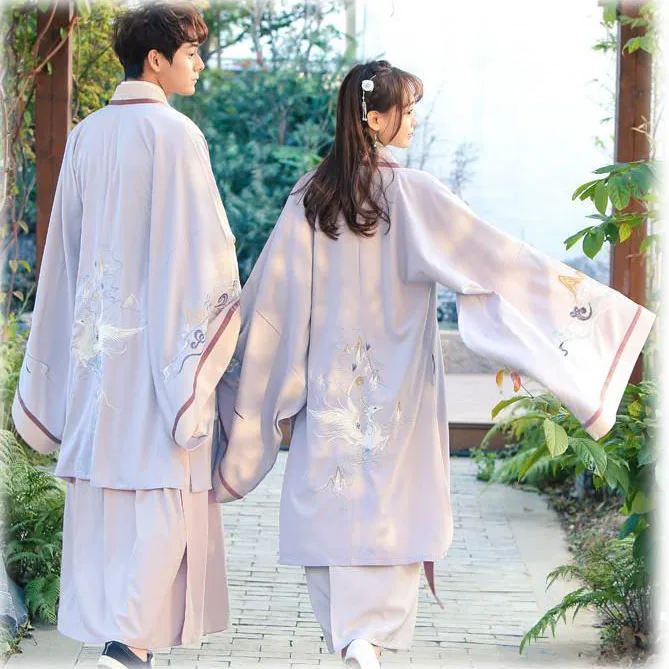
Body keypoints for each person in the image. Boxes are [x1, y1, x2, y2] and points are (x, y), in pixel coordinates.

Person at [212, 60, 656, 668]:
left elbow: (272, 304)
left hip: (331, 386)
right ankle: (368, 639)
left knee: (332, 500)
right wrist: (576, 320)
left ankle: (351, 636)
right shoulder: (414, 194)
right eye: (408, 109)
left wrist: (252, 382)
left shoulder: (310, 196)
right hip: (398, 387)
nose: (415, 121)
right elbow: (496, 262)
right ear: (375, 119)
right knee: (394, 502)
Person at [11, 3, 240, 667]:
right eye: (191, 53)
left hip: (97, 351)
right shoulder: (176, 136)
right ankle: (130, 641)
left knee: (108, 492)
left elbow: (64, 252)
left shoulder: (87, 135)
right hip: (160, 354)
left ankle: (119, 633)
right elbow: (207, 252)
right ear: (156, 60)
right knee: (166, 492)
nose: (199, 64)